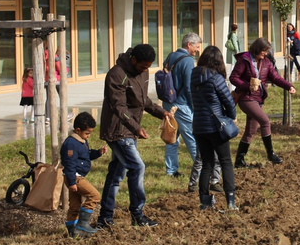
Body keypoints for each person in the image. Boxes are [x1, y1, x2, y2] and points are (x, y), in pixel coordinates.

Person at [97, 44, 167, 230]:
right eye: (143, 66)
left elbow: (143, 100)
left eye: (148, 67)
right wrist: (136, 128)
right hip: (118, 130)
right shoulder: (116, 75)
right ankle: (138, 214)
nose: (146, 71)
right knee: (137, 167)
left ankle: (104, 217)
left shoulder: (142, 72)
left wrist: (162, 113)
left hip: (130, 129)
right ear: (133, 59)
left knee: (116, 173)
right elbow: (118, 107)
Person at [229, 38, 295, 167]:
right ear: (257, 48)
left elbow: (275, 77)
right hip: (246, 97)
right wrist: (247, 85)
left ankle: (239, 160)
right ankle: (270, 154)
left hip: (258, 98)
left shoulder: (266, 62)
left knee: (251, 130)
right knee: (265, 121)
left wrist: (288, 86)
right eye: (264, 51)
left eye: (267, 52)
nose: (266, 54)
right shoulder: (244, 60)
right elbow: (233, 78)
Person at [191, 45, 238, 212]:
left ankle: (204, 202)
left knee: (206, 164)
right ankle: (230, 201)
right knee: (226, 161)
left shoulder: (194, 76)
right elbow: (228, 101)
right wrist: (232, 115)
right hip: (216, 127)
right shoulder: (216, 78)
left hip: (198, 126)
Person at [161, 33, 202, 187]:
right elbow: (190, 87)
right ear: (189, 44)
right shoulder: (188, 61)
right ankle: (201, 169)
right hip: (182, 105)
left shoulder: (171, 55)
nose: (197, 50)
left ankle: (171, 170)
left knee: (172, 137)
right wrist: (195, 106)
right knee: (192, 137)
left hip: (168, 103)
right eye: (197, 47)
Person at [60, 112, 105, 239]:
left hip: (75, 177)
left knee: (74, 206)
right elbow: (69, 164)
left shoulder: (81, 140)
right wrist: (73, 182)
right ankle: (82, 224)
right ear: (78, 130)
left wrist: (98, 153)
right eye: (87, 133)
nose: (88, 136)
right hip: (75, 178)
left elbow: (86, 155)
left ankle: (73, 232)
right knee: (94, 195)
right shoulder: (71, 144)